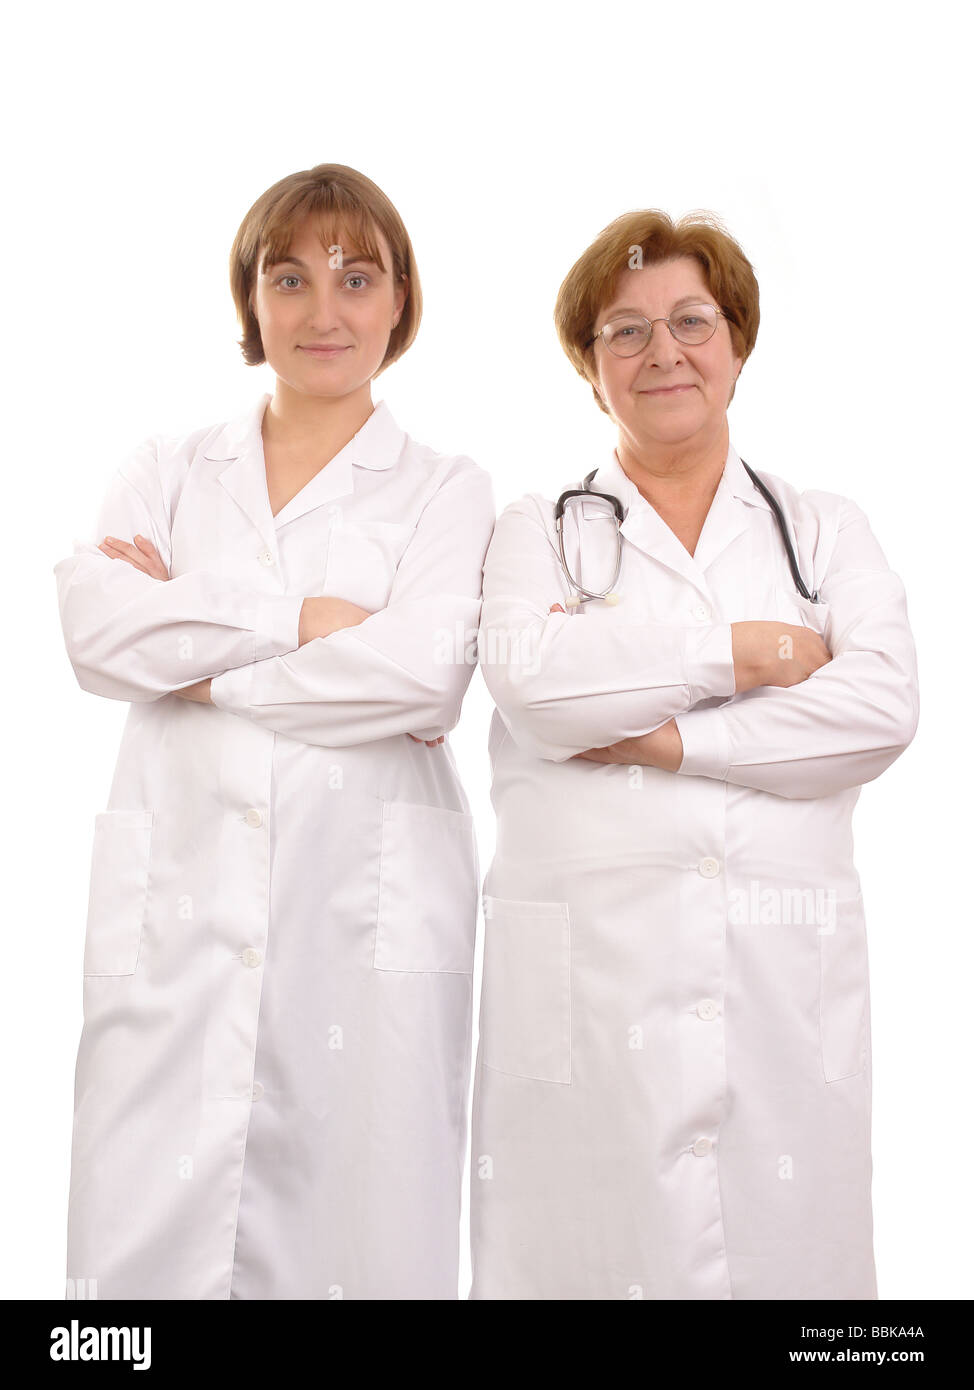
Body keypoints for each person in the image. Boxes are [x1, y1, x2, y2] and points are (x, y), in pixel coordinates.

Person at [55, 162, 494, 1300]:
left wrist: (194, 663)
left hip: (361, 928)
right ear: (249, 299)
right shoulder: (163, 468)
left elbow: (420, 678)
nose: (322, 309)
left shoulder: (444, 488)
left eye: (358, 277)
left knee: (362, 1229)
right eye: (286, 277)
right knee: (142, 1260)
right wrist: (299, 621)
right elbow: (100, 639)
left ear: (400, 300)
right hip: (179, 921)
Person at [469, 209, 918, 1300]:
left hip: (774, 983)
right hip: (587, 994)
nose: (661, 351)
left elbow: (879, 709)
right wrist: (746, 653)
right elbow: (539, 684)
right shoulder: (537, 529)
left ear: (737, 342)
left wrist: (667, 737)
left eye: (689, 321)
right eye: (623, 331)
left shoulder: (820, 532)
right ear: (587, 367)